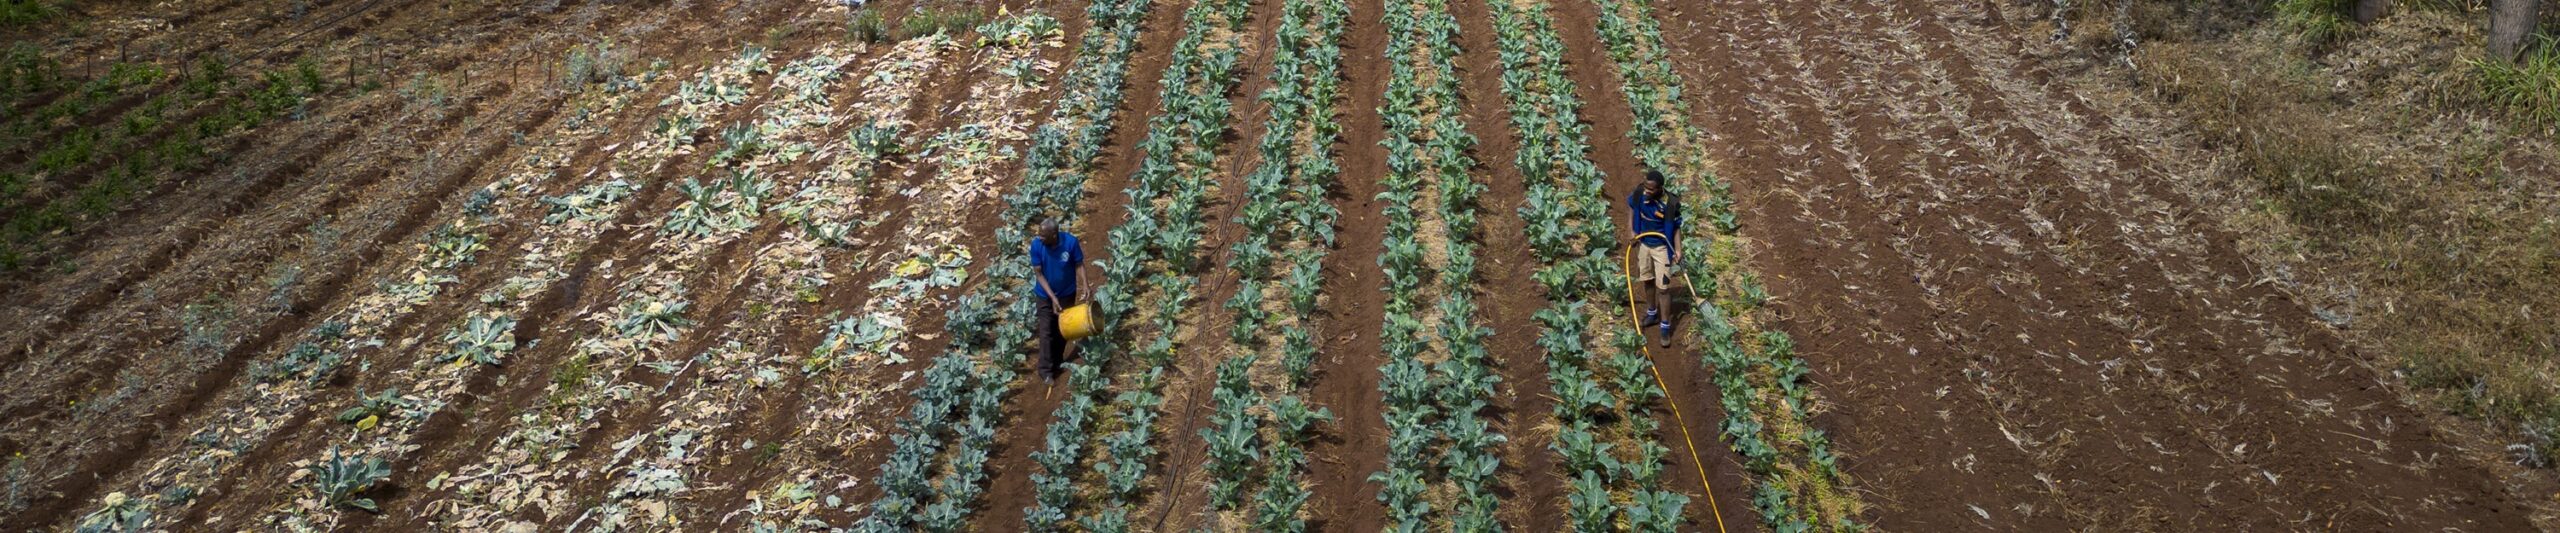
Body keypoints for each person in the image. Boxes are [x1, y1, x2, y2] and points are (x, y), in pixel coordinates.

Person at [1629, 169, 1681, 347]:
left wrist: (1678, 250)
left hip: (1661, 248)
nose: (1646, 191)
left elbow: (1675, 228)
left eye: (1651, 189)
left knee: (1664, 289)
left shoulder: (1670, 204)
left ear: (1660, 189)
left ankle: (1665, 326)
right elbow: (1632, 209)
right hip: (1644, 244)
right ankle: (1652, 313)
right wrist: (1633, 231)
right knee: (1647, 279)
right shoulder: (1639, 194)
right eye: (1645, 187)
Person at [1030, 217, 1085, 381]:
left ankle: (1058, 361)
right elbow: (1039, 274)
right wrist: (1053, 298)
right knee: (1046, 331)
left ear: (1054, 234)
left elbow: (1079, 264)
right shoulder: (1036, 245)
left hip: (1067, 293)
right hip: (1045, 296)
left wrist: (1086, 285)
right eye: (1039, 235)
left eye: (1043, 235)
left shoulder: (1070, 242)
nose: (1040, 238)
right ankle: (1045, 370)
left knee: (1063, 329)